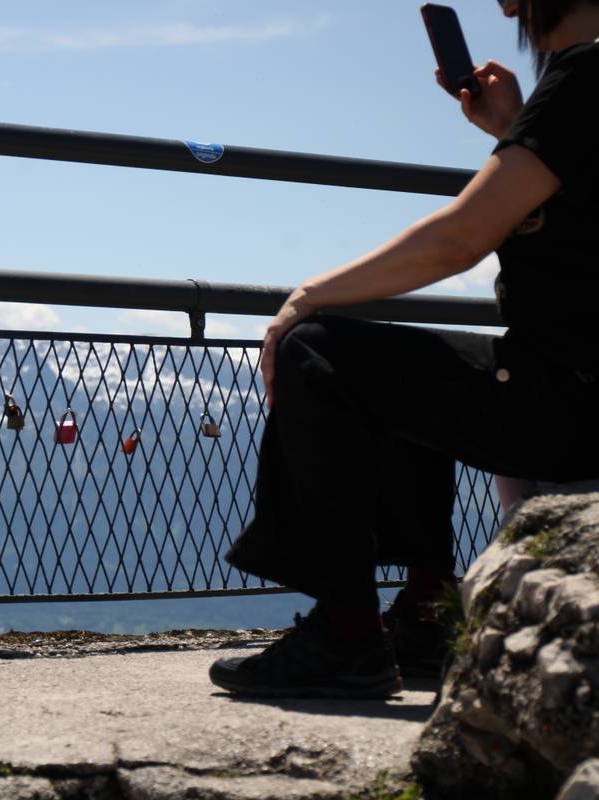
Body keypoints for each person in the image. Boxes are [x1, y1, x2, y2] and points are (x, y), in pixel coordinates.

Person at [209, 0, 599, 698]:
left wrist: (309, 294)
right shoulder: (580, 89)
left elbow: (459, 239)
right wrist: (514, 126)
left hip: (569, 403)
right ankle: (423, 617)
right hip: (576, 393)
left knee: (317, 352)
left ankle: (347, 634)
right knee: (412, 371)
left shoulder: (583, 79)